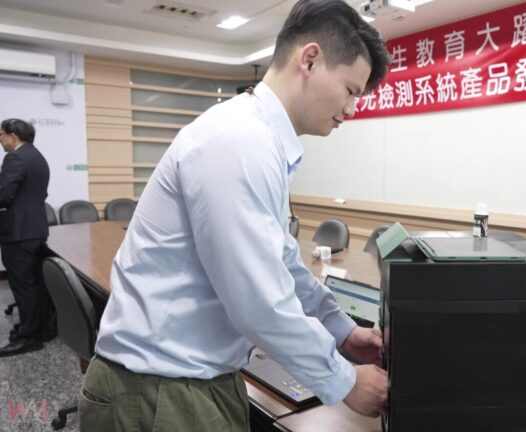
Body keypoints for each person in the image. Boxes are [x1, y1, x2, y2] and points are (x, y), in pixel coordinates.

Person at [79, 1, 391, 430]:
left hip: (189, 379)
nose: (353, 109)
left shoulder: (259, 138)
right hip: (159, 390)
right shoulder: (240, 141)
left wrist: (341, 328)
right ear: (310, 60)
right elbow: (259, 299)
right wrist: (344, 380)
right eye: (351, 90)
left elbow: (282, 263)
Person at [0, 118, 51, 357]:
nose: (0, 140)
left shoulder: (15, 158)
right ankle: (39, 329)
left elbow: (4, 195)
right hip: (36, 229)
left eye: (1, 135)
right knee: (33, 285)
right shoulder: (38, 157)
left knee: (23, 286)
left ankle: (28, 337)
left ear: (13, 136)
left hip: (18, 233)